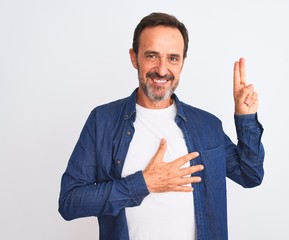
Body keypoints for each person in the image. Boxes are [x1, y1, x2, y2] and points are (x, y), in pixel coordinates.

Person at [58, 12, 265, 240]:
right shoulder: (102, 121)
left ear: (183, 63)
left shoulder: (207, 125)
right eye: (152, 56)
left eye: (173, 58)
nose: (162, 69)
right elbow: (70, 202)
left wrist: (245, 119)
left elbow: (250, 175)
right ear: (134, 57)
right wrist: (143, 183)